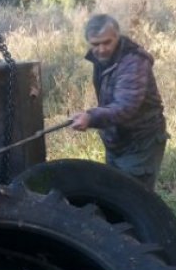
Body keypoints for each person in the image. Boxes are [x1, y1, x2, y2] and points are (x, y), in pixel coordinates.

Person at [70, 14, 168, 190]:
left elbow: (126, 106)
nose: (101, 49)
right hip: (117, 140)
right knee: (115, 193)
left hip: (141, 141)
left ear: (117, 36)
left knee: (134, 198)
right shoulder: (104, 59)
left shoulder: (133, 62)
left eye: (107, 42)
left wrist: (91, 117)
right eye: (95, 44)